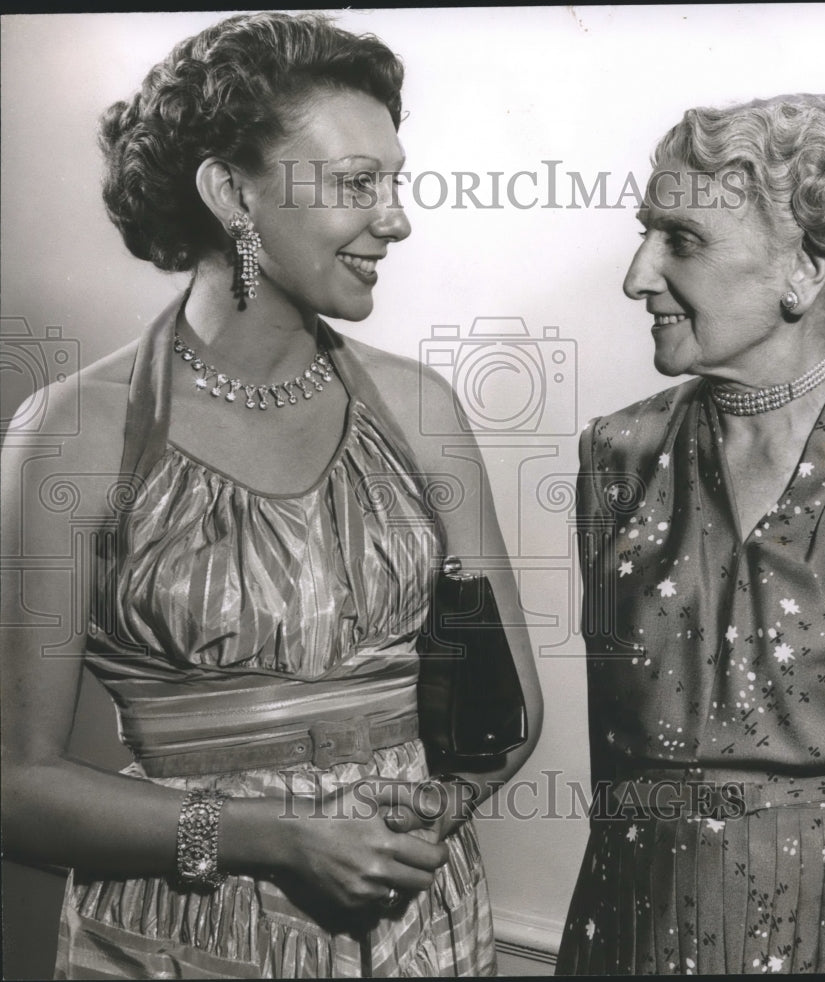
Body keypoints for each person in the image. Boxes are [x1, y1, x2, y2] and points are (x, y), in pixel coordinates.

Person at [1, 11, 541, 978]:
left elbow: (511, 713)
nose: (398, 218)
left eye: (395, 181)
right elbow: (12, 786)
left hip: (417, 920)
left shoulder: (421, 409)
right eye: (355, 184)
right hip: (185, 937)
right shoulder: (74, 432)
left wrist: (415, 826)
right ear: (231, 195)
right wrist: (273, 839)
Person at [557, 94, 825, 974]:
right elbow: (614, 752)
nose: (638, 275)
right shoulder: (619, 452)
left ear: (807, 267)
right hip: (651, 915)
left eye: (680, 240)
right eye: (646, 234)